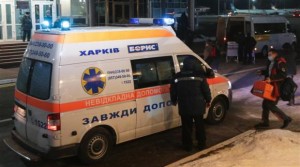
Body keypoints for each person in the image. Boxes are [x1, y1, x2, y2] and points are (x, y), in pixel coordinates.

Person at [170, 57, 212, 151]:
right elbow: (206, 90)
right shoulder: (200, 76)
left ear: (183, 65)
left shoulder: (177, 77)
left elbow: (173, 91)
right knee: (199, 126)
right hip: (198, 106)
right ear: (193, 65)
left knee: (186, 127)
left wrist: (173, 100)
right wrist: (208, 100)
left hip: (184, 107)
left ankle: (187, 146)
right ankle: (201, 144)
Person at [255, 49, 292, 129]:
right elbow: (269, 72)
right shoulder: (271, 62)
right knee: (265, 104)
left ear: (275, 54)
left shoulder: (280, 62)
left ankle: (286, 118)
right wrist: (262, 72)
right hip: (270, 87)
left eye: (270, 54)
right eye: (268, 54)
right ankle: (265, 122)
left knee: (270, 104)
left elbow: (282, 75)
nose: (269, 56)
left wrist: (271, 79)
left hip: (277, 88)